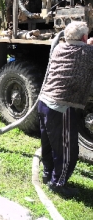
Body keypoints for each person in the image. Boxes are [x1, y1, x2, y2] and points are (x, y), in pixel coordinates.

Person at [38, 21, 93, 197]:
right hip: (60, 108)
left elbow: (78, 52)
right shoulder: (88, 52)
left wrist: (86, 45)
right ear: (84, 37)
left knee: (48, 145)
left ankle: (48, 175)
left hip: (44, 102)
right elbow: (85, 53)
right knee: (67, 151)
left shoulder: (59, 48)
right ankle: (58, 184)